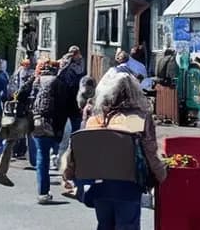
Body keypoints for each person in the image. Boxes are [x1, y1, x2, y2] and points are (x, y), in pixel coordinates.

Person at [63, 70, 167, 229]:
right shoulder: (137, 118)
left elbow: (80, 150)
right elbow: (149, 152)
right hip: (128, 184)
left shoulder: (96, 118)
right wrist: (161, 175)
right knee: (127, 224)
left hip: (98, 183)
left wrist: (68, 174)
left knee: (104, 224)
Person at [30, 58, 72, 204]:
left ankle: (43, 192)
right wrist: (59, 130)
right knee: (54, 153)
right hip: (51, 123)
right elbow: (62, 108)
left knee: (42, 156)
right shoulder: (58, 83)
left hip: (36, 121)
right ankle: (62, 182)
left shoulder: (36, 81)